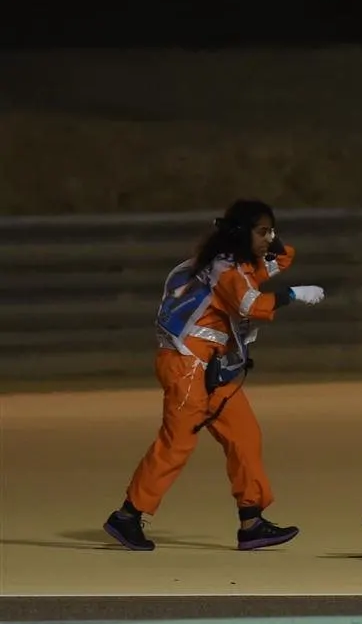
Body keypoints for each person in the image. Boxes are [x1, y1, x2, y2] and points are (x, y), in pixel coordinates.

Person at [103, 200, 326, 552]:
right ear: (241, 234)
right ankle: (128, 516)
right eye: (262, 231)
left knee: (245, 435)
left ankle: (251, 521)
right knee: (177, 443)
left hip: (214, 365)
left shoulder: (234, 262)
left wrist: (270, 239)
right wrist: (293, 294)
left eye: (271, 230)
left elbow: (280, 260)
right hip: (188, 363)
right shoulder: (226, 269)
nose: (269, 238)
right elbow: (250, 305)